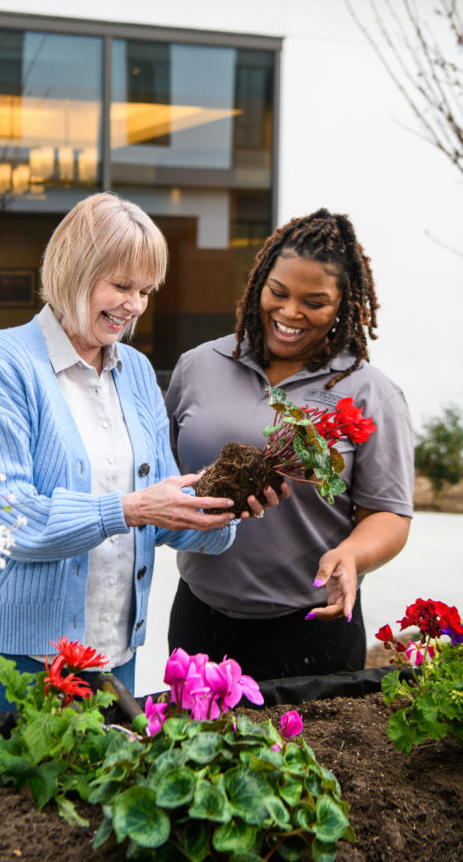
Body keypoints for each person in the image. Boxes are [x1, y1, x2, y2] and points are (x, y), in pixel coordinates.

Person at [0, 193, 281, 715]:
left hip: (113, 654)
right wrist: (129, 509)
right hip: (18, 659)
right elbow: (7, 519)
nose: (135, 305)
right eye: (122, 286)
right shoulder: (4, 366)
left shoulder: (136, 372)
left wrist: (227, 508)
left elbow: (163, 518)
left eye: (145, 290)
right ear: (73, 270)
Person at [165, 208, 413, 682]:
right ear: (259, 282)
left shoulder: (370, 392)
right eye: (278, 292)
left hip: (312, 626)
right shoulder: (198, 365)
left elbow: (389, 514)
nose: (290, 312)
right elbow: (159, 471)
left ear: (342, 305)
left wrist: (352, 556)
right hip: (200, 615)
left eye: (314, 302)